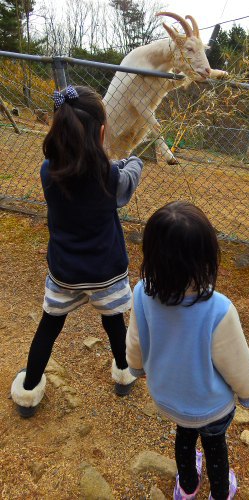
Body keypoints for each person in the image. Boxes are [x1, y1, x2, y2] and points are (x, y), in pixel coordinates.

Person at [11, 85, 143, 418]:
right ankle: (124, 375)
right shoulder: (110, 176)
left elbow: (92, 172)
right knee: (114, 323)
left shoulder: (48, 171)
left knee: (49, 326)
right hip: (106, 275)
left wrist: (116, 165)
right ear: (101, 132)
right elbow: (128, 178)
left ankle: (28, 393)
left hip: (64, 274)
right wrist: (135, 161)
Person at [126, 201, 249, 500]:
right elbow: (237, 363)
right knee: (215, 447)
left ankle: (187, 487)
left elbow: (136, 340)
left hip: (170, 399)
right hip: (210, 406)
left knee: (184, 439)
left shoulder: (141, 293)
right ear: (206, 258)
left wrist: (135, 368)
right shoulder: (219, 310)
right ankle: (221, 492)